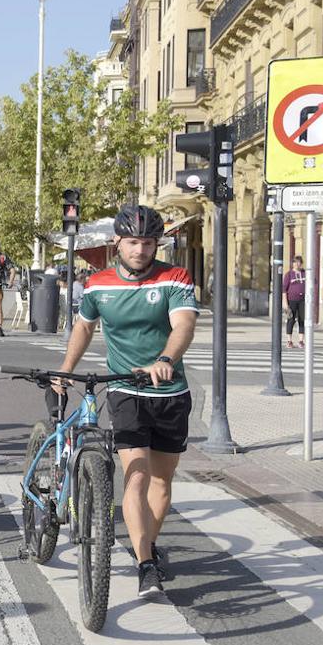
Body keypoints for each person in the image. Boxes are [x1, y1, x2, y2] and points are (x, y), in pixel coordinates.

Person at [54, 204, 197, 598]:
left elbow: (183, 325)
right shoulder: (98, 284)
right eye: (133, 242)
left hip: (170, 392)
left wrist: (166, 359)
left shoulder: (174, 277)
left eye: (147, 243)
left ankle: (146, 545)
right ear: (117, 242)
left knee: (162, 482)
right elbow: (84, 327)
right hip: (125, 390)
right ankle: (146, 564)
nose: (140, 250)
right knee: (135, 475)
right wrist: (66, 368)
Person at [283, 256, 306, 349]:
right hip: (292, 300)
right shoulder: (289, 274)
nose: (297, 264)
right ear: (292, 264)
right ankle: (289, 341)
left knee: (302, 319)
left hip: (303, 300)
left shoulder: (305, 273)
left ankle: (301, 341)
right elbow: (284, 290)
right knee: (291, 320)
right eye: (295, 262)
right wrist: (285, 303)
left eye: (299, 262)